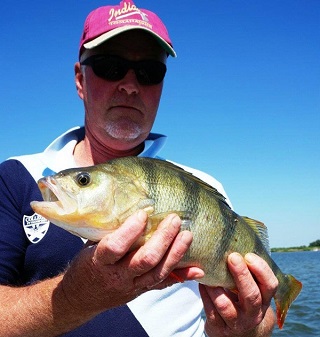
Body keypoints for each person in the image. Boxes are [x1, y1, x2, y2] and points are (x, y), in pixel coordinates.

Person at [0, 1, 278, 336]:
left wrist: (246, 328)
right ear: (79, 80)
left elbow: (262, 321)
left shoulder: (205, 184)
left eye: (149, 72)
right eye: (109, 66)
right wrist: (79, 295)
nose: (130, 86)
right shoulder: (17, 178)